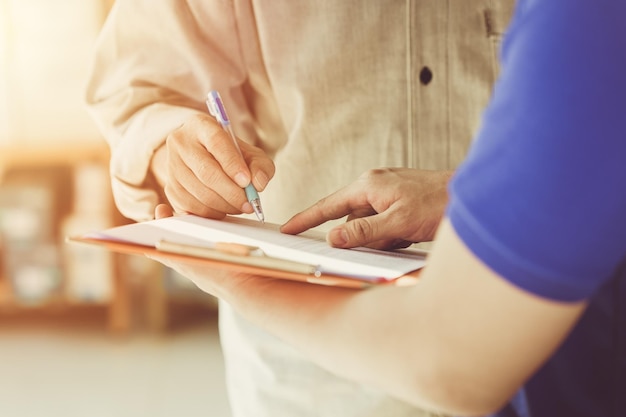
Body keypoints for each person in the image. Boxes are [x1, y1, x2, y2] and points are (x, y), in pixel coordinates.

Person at [150, 0, 626, 416]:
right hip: (316, 384)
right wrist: (476, 194)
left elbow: (449, 361)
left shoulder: (583, 20)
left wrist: (240, 282)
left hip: (535, 356)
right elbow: (140, 86)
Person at [85, 1, 515, 416]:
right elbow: (131, 90)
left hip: (527, 345)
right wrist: (173, 153)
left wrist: (244, 287)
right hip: (309, 375)